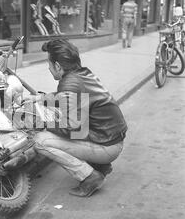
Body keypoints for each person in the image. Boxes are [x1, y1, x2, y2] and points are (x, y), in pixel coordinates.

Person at [30, 39, 128, 197]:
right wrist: (41, 99)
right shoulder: (82, 74)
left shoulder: (69, 83)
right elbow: (69, 98)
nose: (48, 68)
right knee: (58, 119)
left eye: (48, 64)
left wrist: (41, 122)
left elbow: (72, 127)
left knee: (39, 140)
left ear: (57, 66)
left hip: (107, 146)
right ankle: (100, 166)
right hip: (111, 138)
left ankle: (90, 177)